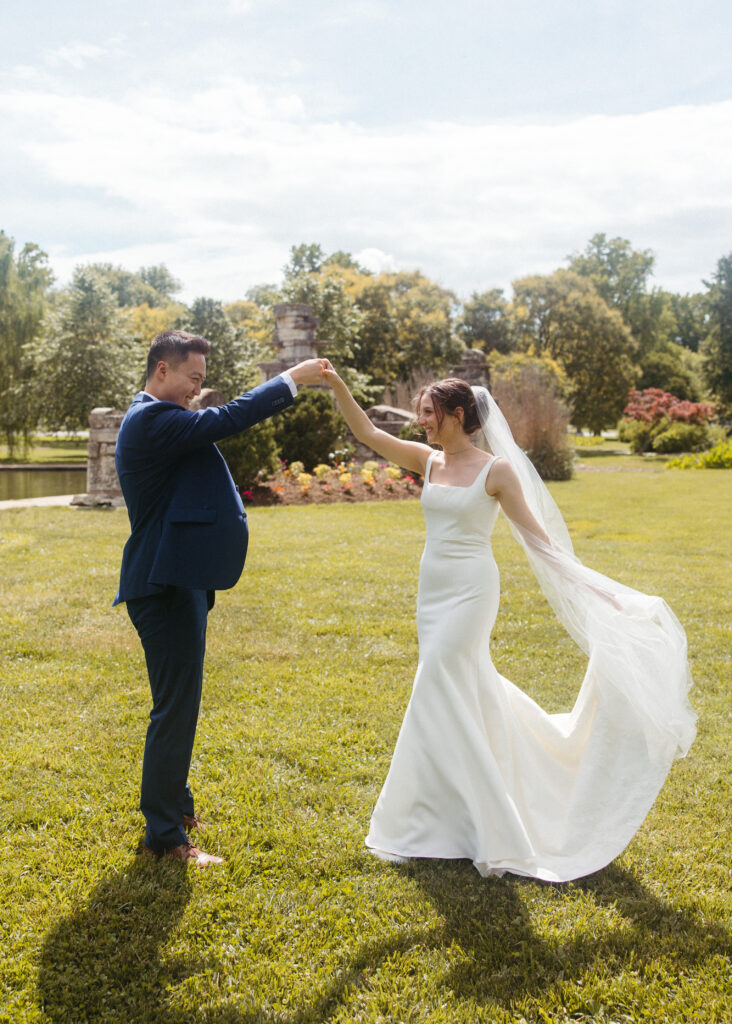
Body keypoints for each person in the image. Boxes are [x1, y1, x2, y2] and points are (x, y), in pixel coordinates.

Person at [322, 367, 696, 882]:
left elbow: (540, 542)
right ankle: (443, 817)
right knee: (464, 692)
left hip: (472, 593)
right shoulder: (427, 461)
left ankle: (462, 825)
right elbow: (366, 433)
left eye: (429, 412)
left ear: (458, 415)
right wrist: (338, 385)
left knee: (436, 681)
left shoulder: (496, 471)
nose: (420, 421)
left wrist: (602, 591)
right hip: (432, 592)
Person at [115, 330, 325, 866]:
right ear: (163, 370)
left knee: (181, 706)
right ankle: (164, 838)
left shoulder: (159, 419)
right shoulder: (151, 419)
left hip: (176, 579)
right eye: (193, 378)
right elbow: (224, 420)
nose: (196, 390)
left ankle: (177, 811)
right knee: (174, 709)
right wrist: (290, 381)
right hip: (162, 585)